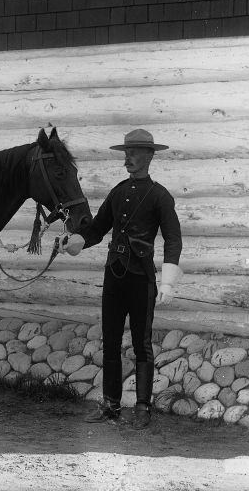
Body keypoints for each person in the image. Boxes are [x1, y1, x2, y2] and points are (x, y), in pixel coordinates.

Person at [64, 129, 182, 429]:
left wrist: (167, 281)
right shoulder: (117, 192)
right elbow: (97, 229)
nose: (128, 158)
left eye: (134, 153)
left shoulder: (160, 196)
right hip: (114, 278)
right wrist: (77, 240)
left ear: (149, 156)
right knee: (111, 343)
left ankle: (143, 408)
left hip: (142, 280)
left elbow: (173, 240)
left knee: (142, 346)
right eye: (126, 152)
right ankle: (111, 405)